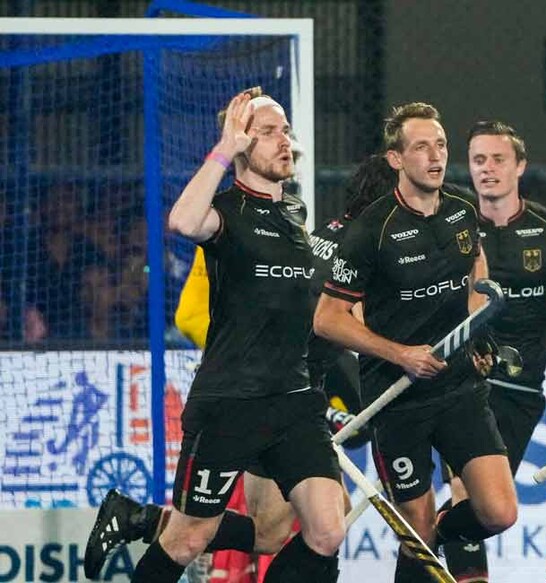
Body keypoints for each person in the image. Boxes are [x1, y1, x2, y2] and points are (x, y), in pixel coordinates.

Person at [82, 151, 398, 580]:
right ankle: (146, 522)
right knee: (236, 531)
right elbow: (334, 332)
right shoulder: (353, 252)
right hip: (253, 393)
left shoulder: (315, 230)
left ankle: (140, 518)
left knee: (280, 531)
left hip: (289, 397)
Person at [313, 102, 518, 581]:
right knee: (417, 531)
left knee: (500, 513)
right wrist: (400, 354)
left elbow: (475, 266)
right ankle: (427, 538)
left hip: (460, 388)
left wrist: (475, 324)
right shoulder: (370, 230)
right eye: (421, 147)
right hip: (396, 397)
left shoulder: (464, 209)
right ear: (396, 159)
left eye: (441, 145)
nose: (435, 156)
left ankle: (440, 533)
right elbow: (329, 320)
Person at [439, 120, 546, 582]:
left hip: (524, 388)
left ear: (519, 166)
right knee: (465, 492)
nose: (487, 170)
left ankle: (423, 537)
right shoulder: (451, 226)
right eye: (479, 160)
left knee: (489, 511)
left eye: (498, 159)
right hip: (463, 383)